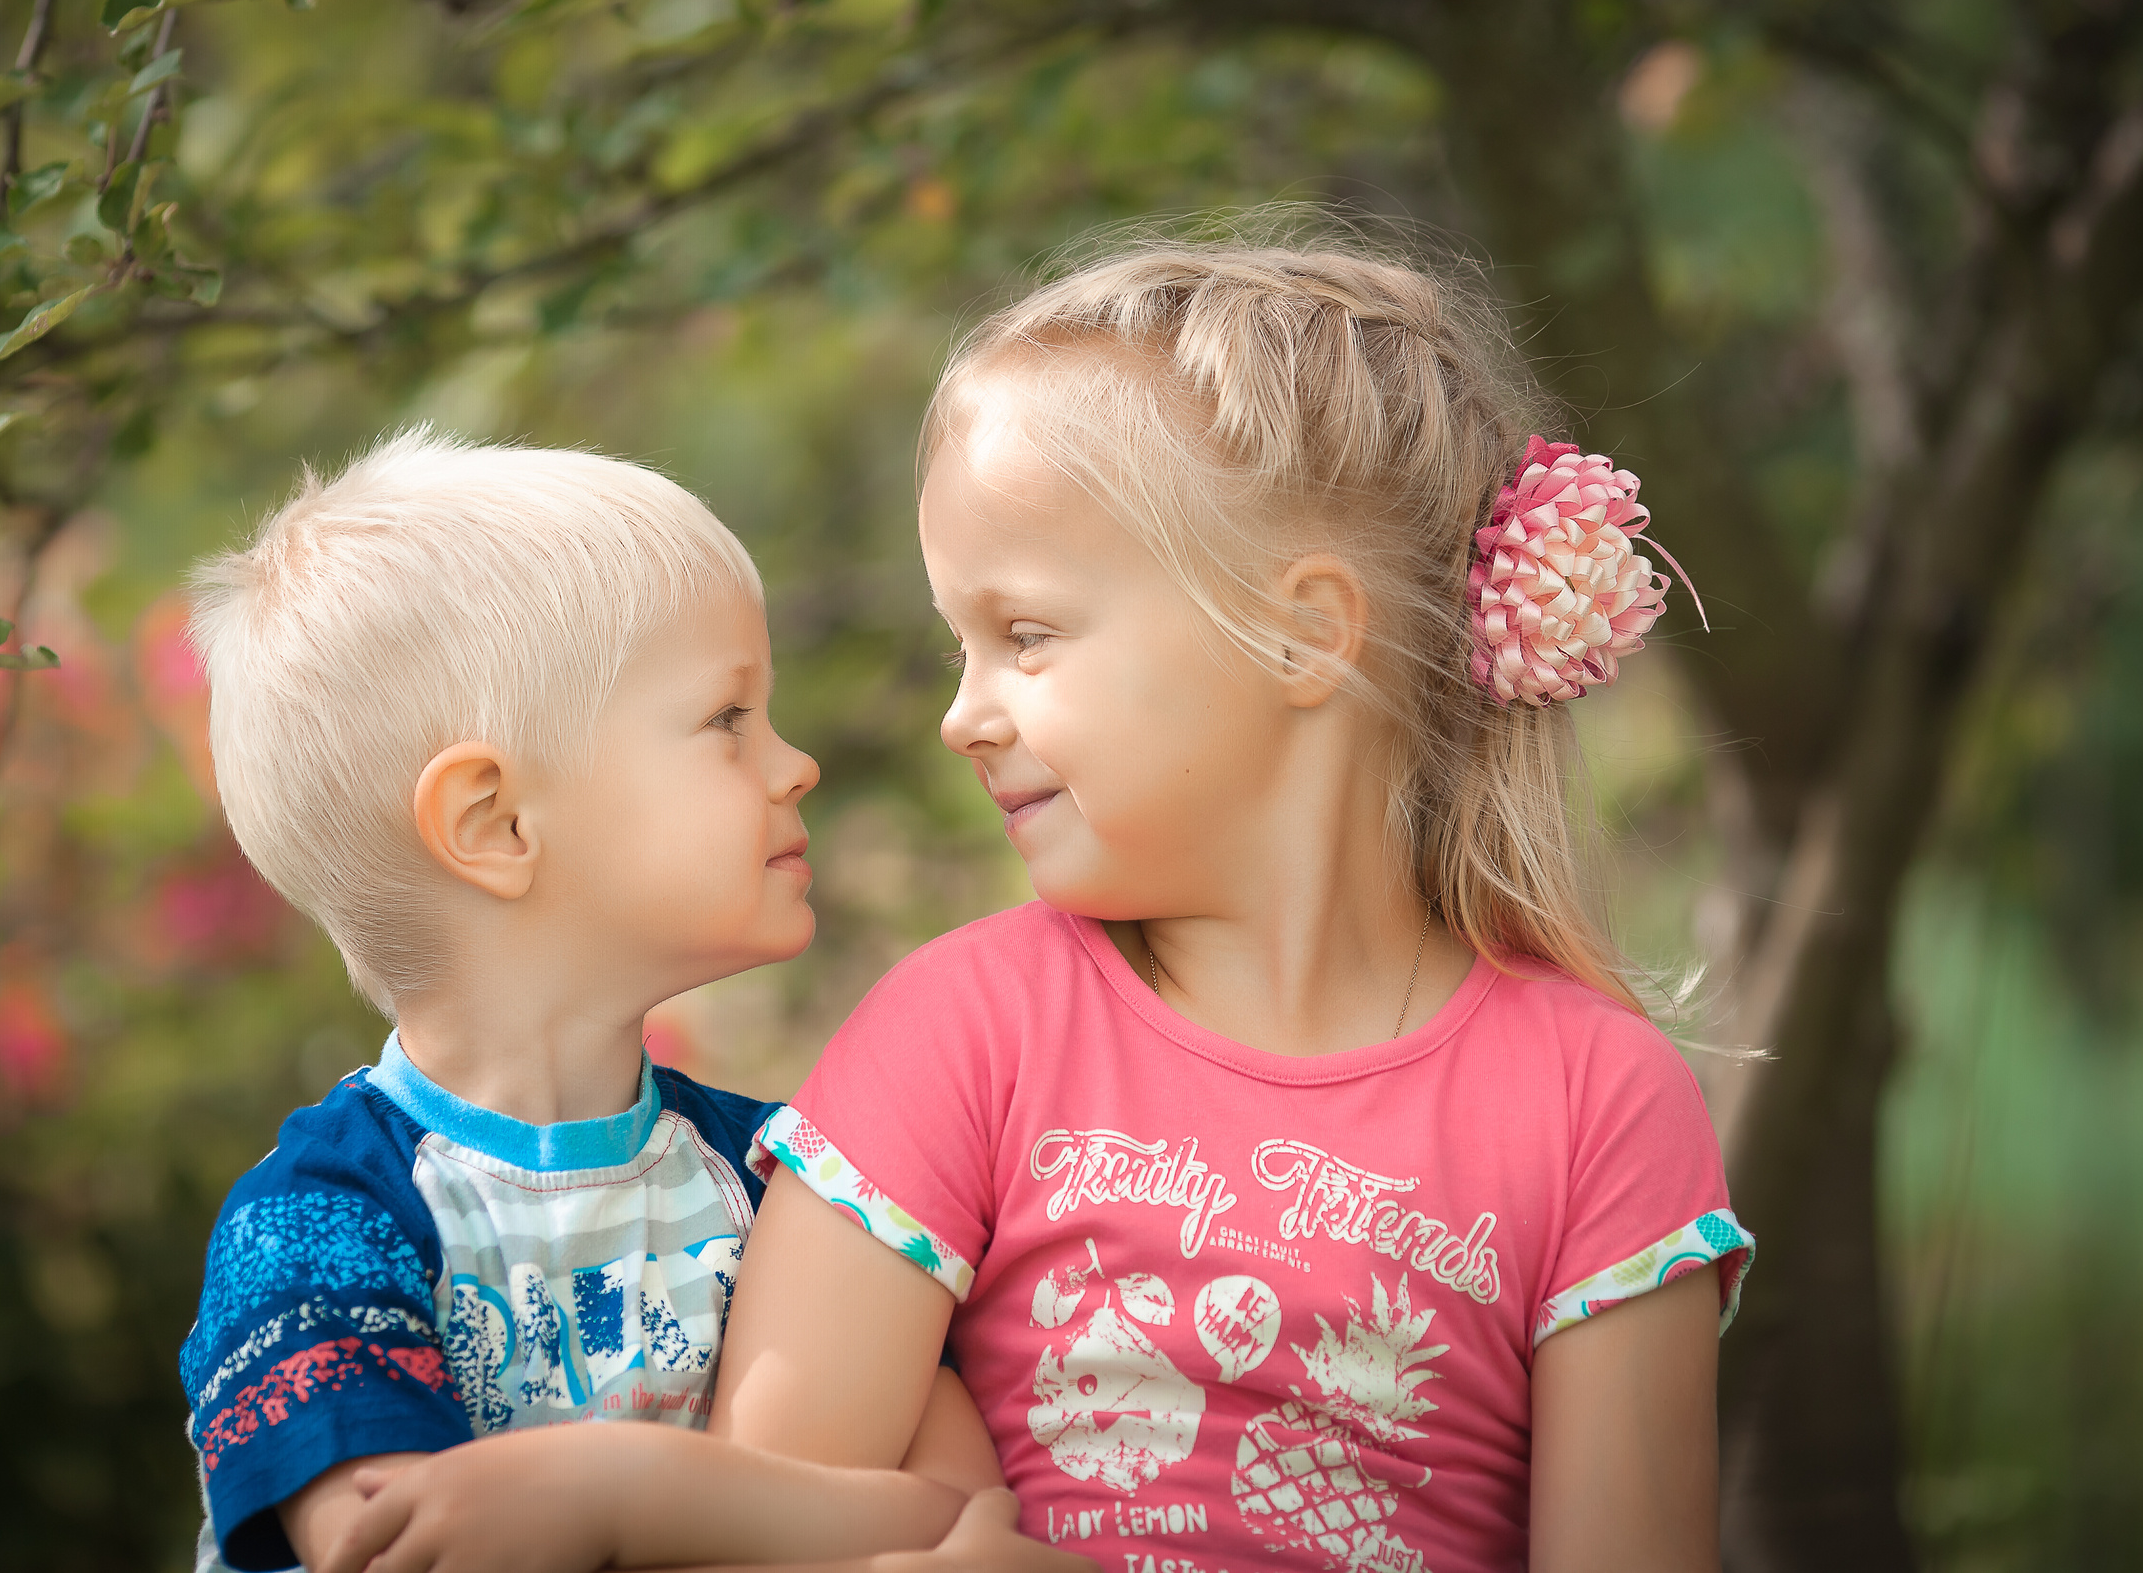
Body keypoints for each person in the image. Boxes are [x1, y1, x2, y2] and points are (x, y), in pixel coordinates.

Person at [700, 235, 1757, 1573]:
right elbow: (751, 1520)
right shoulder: (965, 1031)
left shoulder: (1597, 1102)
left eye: (1026, 636)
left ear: (1302, 630)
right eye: (958, 644)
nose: (962, 715)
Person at [176, 429, 1087, 1573]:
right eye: (728, 719)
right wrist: (694, 1508)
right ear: (497, 823)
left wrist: (629, 1508)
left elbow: (962, 1513)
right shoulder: (317, 1227)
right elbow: (400, 1548)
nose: (795, 764)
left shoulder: (784, 1176)